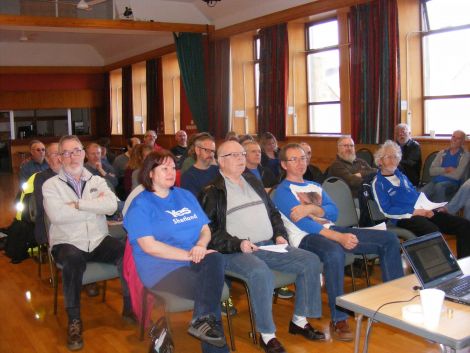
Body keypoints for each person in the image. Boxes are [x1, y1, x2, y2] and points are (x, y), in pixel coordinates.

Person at [199, 140, 324, 353]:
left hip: (268, 245)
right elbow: (211, 234)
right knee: (260, 273)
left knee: (310, 260)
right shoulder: (212, 191)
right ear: (220, 161)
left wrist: (280, 234)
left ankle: (299, 321)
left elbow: (273, 212)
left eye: (242, 154)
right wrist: (238, 243)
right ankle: (267, 335)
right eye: (235, 155)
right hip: (235, 251)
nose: (241, 158)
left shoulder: (252, 180)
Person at [273, 143, 404, 341]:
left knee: (389, 239)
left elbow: (334, 212)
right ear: (284, 164)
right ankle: (339, 317)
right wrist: (339, 237)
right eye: (294, 159)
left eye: (303, 158)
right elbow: (306, 225)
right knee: (335, 252)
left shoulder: (315, 186)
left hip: (330, 230)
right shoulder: (282, 191)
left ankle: (393, 300)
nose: (301, 163)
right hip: (304, 238)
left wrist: (310, 209)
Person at [123, 150, 229, 353]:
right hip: (162, 270)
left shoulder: (184, 195)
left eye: (173, 167)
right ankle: (210, 337)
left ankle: (201, 321)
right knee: (209, 291)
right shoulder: (140, 205)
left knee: (215, 258)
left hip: (193, 259)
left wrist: (200, 246)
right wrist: (190, 254)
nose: (171, 172)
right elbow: (149, 246)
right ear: (150, 173)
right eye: (164, 168)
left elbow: (205, 229)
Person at [42, 135, 131, 351]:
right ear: (60, 158)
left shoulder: (97, 180)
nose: (72, 157)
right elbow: (58, 216)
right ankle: (74, 320)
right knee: (72, 261)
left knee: (127, 252)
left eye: (76, 151)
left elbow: (112, 206)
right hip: (67, 242)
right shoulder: (50, 186)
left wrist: (79, 205)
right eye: (66, 153)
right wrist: (94, 205)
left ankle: (131, 306)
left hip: (98, 239)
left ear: (83, 154)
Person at [372, 140, 470, 259]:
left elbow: (415, 195)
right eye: (388, 157)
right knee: (432, 230)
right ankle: (444, 268)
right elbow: (386, 210)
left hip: (422, 210)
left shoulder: (401, 176)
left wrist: (428, 207)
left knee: (464, 225)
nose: (393, 160)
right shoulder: (378, 183)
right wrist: (415, 211)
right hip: (404, 216)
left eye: (395, 156)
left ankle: (465, 263)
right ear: (380, 160)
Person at [420, 130, 469, 202]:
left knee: (439, 187)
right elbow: (431, 171)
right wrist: (446, 169)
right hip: (435, 181)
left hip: (453, 183)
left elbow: (457, 175)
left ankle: (440, 212)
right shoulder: (442, 153)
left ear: (462, 142)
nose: (454, 140)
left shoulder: (465, 156)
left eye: (458, 138)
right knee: (420, 194)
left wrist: (439, 171)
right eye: (453, 137)